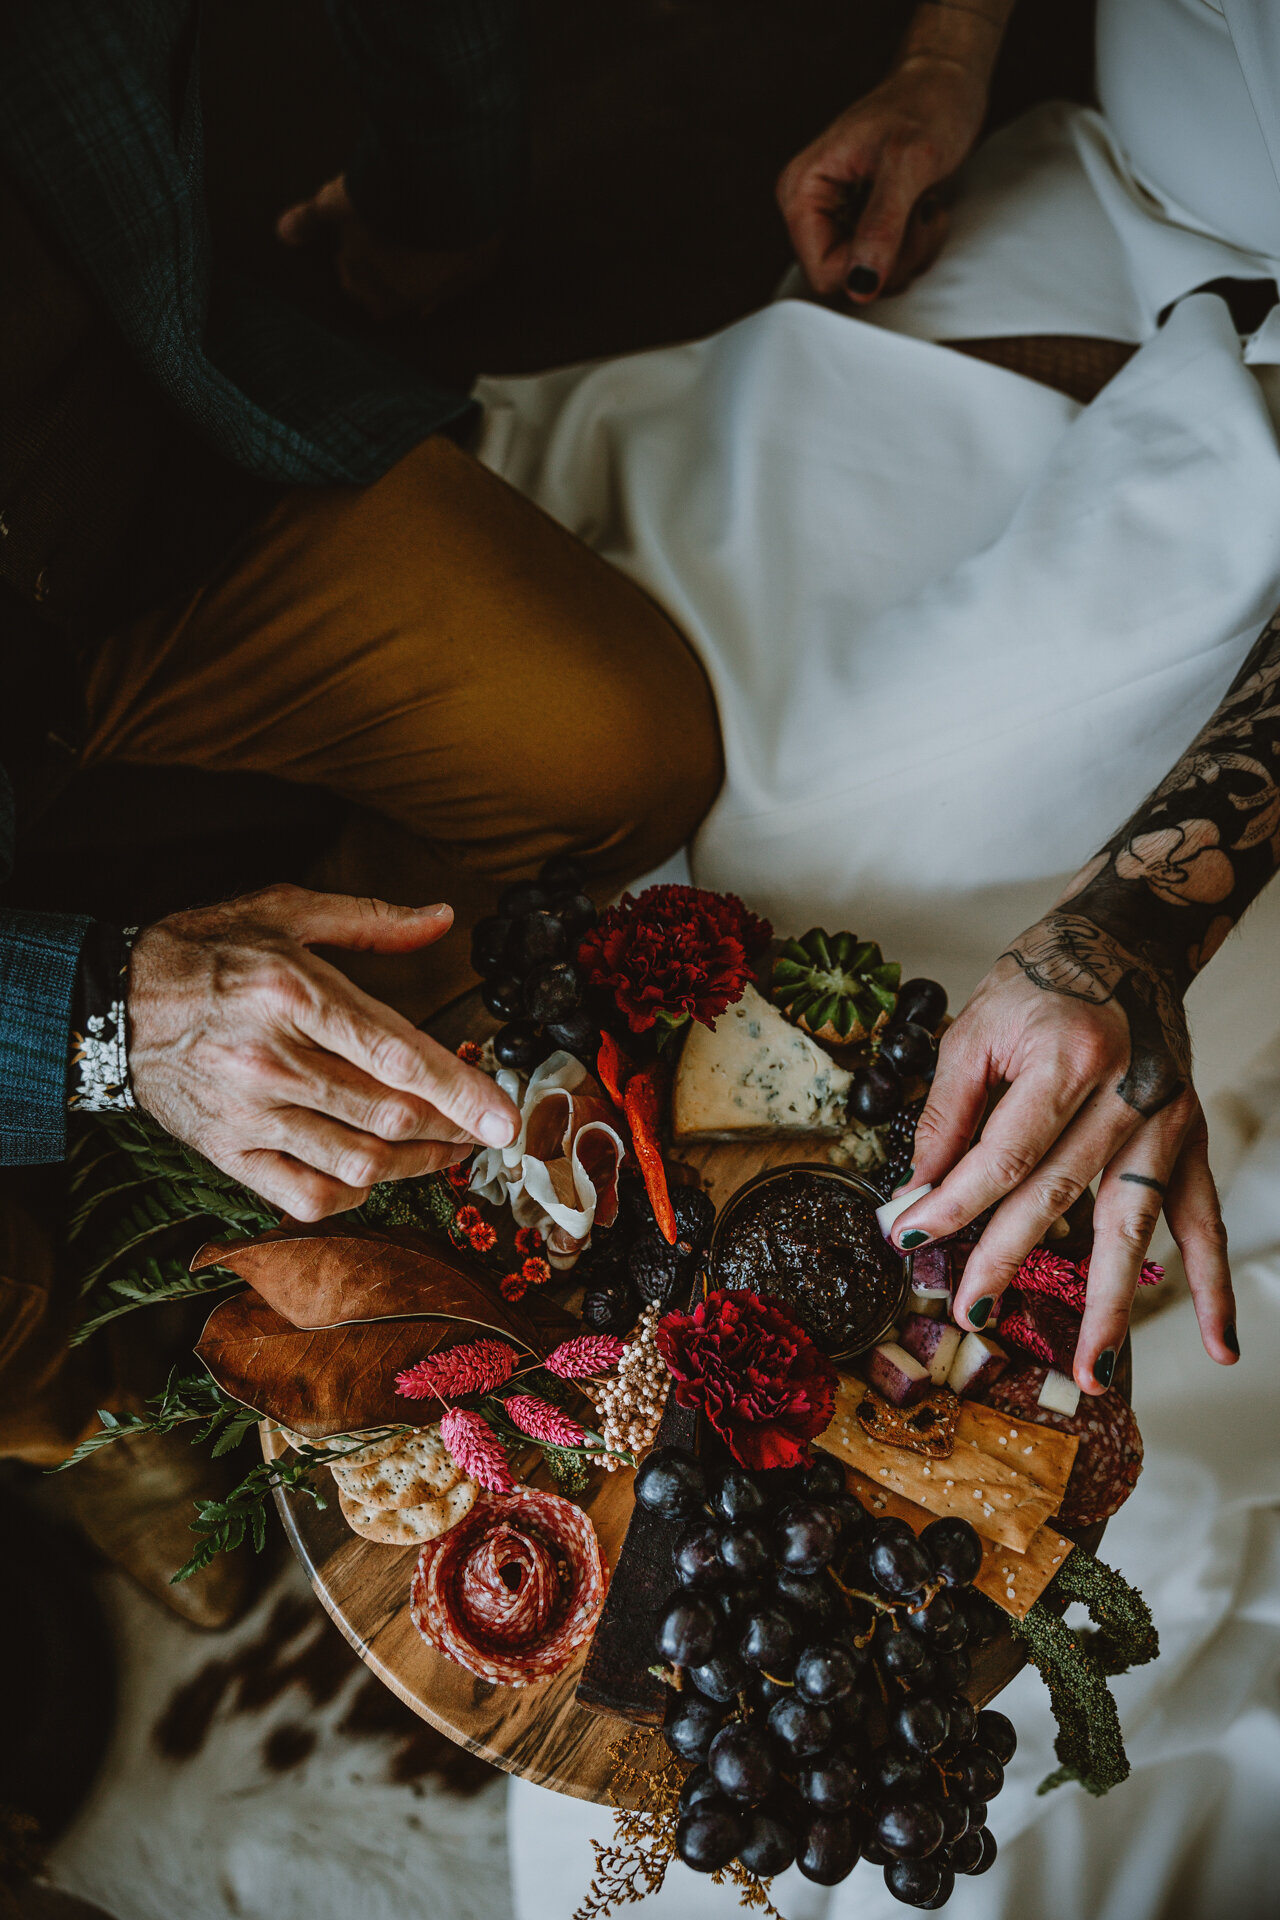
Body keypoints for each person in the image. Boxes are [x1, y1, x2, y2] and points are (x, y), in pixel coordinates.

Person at [0, 0, 720, 1611]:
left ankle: (347, 1021)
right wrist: (99, 1015)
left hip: (129, 482)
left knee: (624, 748)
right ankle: (94, 1387)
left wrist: (435, 196)